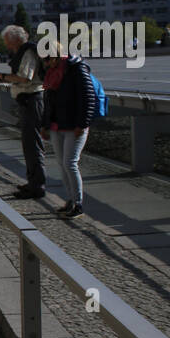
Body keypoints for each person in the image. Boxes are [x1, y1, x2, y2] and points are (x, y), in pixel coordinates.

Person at [0, 25, 47, 199]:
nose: (7, 46)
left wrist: (1, 76)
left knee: (32, 144)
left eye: (8, 42)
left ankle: (37, 185)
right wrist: (3, 78)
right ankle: (33, 182)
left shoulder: (27, 53)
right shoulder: (23, 52)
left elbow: (25, 78)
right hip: (28, 100)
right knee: (28, 144)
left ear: (16, 40)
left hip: (32, 100)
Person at [42, 49, 98, 218]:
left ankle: (78, 204)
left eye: (47, 59)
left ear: (56, 56)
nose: (46, 64)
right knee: (62, 164)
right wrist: (45, 125)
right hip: (57, 125)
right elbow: (49, 102)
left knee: (70, 164)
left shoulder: (77, 69)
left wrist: (82, 124)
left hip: (74, 126)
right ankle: (70, 200)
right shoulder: (51, 73)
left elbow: (88, 97)